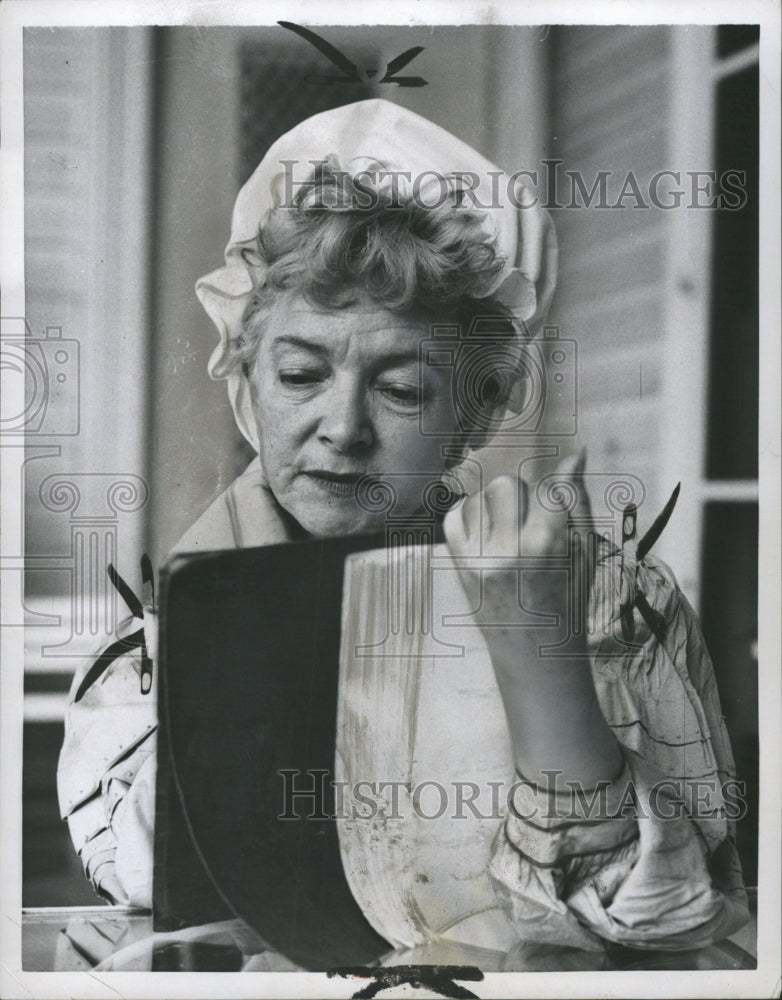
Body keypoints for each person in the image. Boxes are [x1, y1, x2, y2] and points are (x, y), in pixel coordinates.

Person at [57, 99, 748, 969]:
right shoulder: (158, 634)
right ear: (244, 386)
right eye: (301, 373)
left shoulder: (613, 608)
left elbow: (668, 917)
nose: (341, 428)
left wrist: (538, 646)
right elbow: (147, 876)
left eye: (404, 389)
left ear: (479, 410)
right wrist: (252, 599)